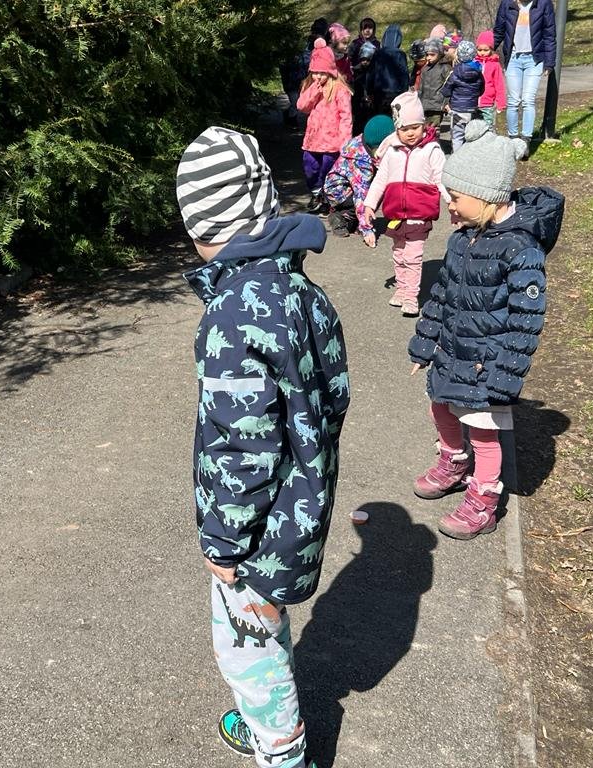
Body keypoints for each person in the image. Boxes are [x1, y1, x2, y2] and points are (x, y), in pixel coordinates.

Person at [176, 126, 350, 768]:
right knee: (265, 622)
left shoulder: (232, 313)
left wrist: (224, 541)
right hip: (302, 501)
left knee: (248, 646)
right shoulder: (303, 292)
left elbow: (241, 448)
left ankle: (280, 749)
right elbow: (335, 395)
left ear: (205, 229)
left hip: (256, 526)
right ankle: (276, 732)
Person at [408, 121, 564, 539]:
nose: (451, 208)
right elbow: (441, 294)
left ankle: (483, 500)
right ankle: (453, 462)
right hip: (453, 352)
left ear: (488, 196)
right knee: (440, 406)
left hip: (487, 363)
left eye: (456, 198)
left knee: (484, 430)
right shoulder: (463, 239)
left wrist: (506, 375)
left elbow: (527, 318)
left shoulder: (521, 249)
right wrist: (424, 344)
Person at [361, 93, 448, 314]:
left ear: (423, 125)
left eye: (415, 127)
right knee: (399, 253)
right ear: (396, 129)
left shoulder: (431, 150)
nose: (410, 133)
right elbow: (380, 180)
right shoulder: (392, 151)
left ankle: (411, 296)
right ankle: (401, 289)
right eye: (404, 129)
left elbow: (442, 179)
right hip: (396, 215)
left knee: (412, 256)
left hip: (419, 213)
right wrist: (370, 205)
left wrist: (453, 205)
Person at [298, 38, 353, 214]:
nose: (318, 77)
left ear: (330, 70)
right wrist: (314, 91)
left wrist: (345, 142)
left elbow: (346, 116)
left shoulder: (340, 89)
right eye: (315, 72)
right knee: (310, 167)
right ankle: (317, 192)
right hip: (313, 140)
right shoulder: (311, 86)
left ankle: (327, 198)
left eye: (322, 73)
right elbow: (301, 106)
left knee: (327, 170)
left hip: (332, 142)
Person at [492, 0, 557, 146]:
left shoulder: (543, 4)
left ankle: (526, 140)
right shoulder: (507, 4)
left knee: (528, 100)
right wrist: (486, 50)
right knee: (513, 101)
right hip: (513, 58)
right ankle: (513, 138)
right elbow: (498, 32)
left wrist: (549, 63)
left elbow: (549, 35)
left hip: (534, 60)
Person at [322, 114, 394, 238]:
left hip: (352, 186)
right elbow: (361, 194)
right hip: (339, 192)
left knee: (379, 188)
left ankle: (356, 219)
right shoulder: (360, 160)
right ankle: (339, 217)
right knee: (371, 196)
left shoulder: (367, 145)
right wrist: (366, 229)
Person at [279, 18, 331, 128]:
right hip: (292, 78)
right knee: (295, 102)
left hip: (305, 77)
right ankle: (291, 119)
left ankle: (294, 117)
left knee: (306, 101)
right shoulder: (304, 45)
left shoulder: (323, 46)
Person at [442, 40, 484, 150]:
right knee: (470, 135)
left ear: (458, 55)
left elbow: (446, 90)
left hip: (457, 109)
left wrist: (448, 97)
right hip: (472, 108)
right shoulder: (478, 73)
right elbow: (481, 90)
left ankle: (457, 156)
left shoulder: (455, 72)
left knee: (457, 136)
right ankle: (468, 155)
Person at [367, 23, 410, 115]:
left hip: (379, 93)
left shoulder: (378, 53)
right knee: (395, 116)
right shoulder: (400, 54)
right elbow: (404, 74)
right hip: (396, 92)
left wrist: (369, 91)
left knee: (380, 116)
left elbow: (371, 73)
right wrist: (404, 90)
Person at [475, 30, 507, 129]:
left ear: (491, 49)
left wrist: (501, 103)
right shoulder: (474, 63)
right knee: (474, 128)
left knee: (488, 127)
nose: (482, 53)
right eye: (479, 50)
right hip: (473, 102)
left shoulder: (495, 65)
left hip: (487, 103)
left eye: (486, 50)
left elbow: (499, 85)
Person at [416, 38, 449, 131]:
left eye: (432, 55)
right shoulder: (425, 69)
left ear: (440, 53)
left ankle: (435, 140)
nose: (429, 57)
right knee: (424, 129)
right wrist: (418, 101)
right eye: (427, 55)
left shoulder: (445, 68)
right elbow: (420, 88)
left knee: (434, 129)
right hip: (425, 105)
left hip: (437, 105)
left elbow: (449, 86)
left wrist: (446, 103)